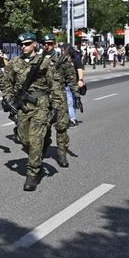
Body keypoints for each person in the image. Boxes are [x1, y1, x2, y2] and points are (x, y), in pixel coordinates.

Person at [2, 32, 64, 191]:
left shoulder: (44, 63)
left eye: (27, 43)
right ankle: (37, 155)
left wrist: (56, 106)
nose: (23, 46)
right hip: (22, 106)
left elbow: (55, 86)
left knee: (35, 140)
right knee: (25, 139)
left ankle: (32, 174)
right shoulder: (15, 63)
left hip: (40, 104)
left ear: (35, 44)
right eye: (21, 44)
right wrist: (8, 98)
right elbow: (7, 83)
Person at [41, 36, 76, 168]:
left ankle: (61, 155)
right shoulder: (38, 60)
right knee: (43, 126)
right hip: (43, 98)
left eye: (49, 43)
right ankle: (43, 147)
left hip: (59, 97)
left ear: (54, 45)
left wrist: (76, 95)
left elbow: (71, 78)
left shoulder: (62, 60)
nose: (46, 46)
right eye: (44, 43)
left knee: (61, 127)